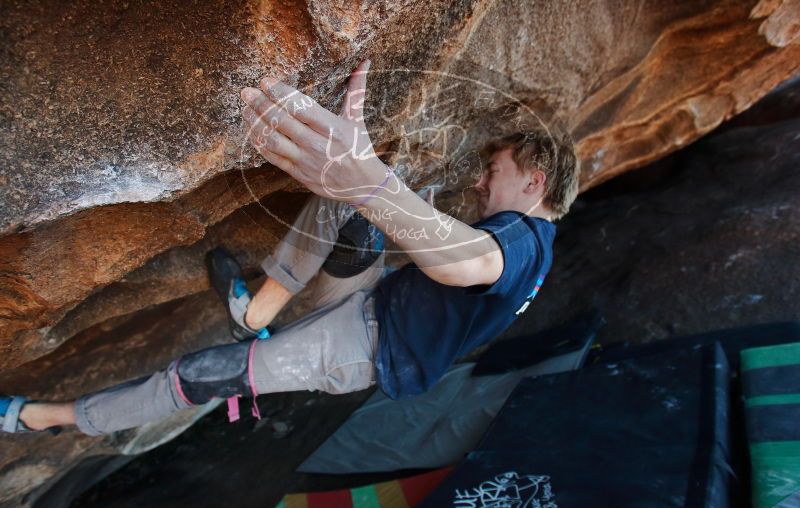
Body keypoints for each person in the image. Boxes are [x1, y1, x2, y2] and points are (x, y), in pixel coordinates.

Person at [1, 60, 579, 435]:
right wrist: (369, 183)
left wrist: (376, 184)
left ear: (536, 182)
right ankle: (256, 311)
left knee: (201, 375)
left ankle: (45, 417)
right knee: (346, 200)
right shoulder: (536, 246)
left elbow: (472, 263)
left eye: (495, 171)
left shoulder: (522, 242)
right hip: (375, 301)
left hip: (361, 346)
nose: (480, 182)